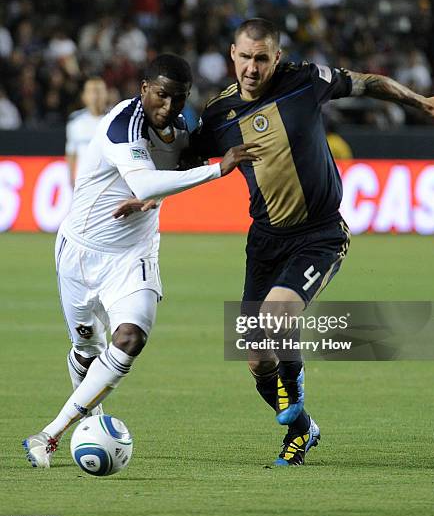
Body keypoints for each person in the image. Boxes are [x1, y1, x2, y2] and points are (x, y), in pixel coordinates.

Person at [116, 19, 434, 467]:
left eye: (262, 58)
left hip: (319, 233)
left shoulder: (305, 82)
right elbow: (188, 163)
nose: (252, 67)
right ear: (232, 55)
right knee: (257, 356)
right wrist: (147, 191)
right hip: (264, 240)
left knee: (277, 314)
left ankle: (295, 391)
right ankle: (302, 429)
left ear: (276, 58)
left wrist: (421, 102)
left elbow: (367, 82)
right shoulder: (218, 115)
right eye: (245, 57)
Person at [22, 53, 258, 468]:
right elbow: (149, 179)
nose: (168, 108)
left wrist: (156, 193)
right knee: (86, 348)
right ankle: (89, 423)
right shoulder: (122, 125)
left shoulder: (178, 128)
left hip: (135, 255)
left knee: (130, 338)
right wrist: (217, 171)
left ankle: (50, 433)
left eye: (179, 99)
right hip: (80, 252)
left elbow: (170, 173)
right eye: (161, 96)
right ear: (144, 88)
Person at [65, 77, 108, 187]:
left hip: (107, 182)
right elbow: (71, 152)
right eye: (91, 91)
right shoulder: (75, 121)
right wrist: (70, 177)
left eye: (99, 91)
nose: (95, 96)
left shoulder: (114, 119)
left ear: (106, 94)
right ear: (84, 96)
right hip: (83, 181)